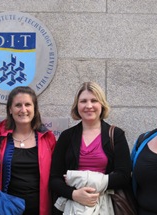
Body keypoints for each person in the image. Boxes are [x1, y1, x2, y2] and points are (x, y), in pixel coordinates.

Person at [49, 81, 132, 214]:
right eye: (83, 101)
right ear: (77, 106)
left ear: (101, 104)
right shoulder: (67, 136)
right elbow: (54, 178)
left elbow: (124, 176)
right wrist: (74, 194)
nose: (89, 106)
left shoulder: (116, 135)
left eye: (94, 100)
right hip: (72, 207)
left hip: (105, 206)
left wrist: (90, 185)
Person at [0, 86, 57, 215]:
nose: (23, 110)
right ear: (10, 110)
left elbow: (55, 175)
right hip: (7, 209)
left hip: (39, 209)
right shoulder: (0, 138)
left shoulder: (47, 138)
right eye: (18, 105)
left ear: (34, 109)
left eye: (28, 104)